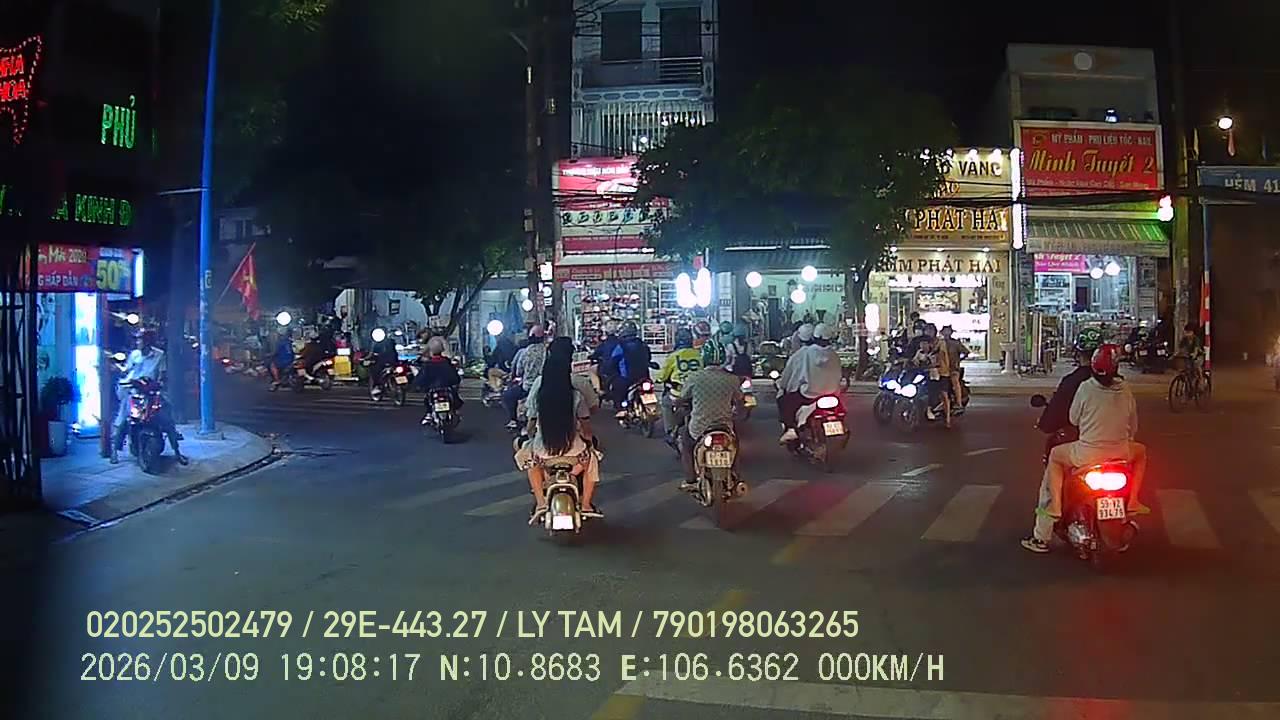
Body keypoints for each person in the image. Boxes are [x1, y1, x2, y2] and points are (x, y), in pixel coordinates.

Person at [1021, 344, 1149, 553]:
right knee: (1141, 452)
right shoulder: (1125, 389)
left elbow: (1073, 418)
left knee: (1055, 458)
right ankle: (1133, 501)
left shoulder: (1083, 386)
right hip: (1121, 452)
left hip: (1087, 453)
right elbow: (1133, 425)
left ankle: (1049, 521)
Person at [517, 336, 602, 522]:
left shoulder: (539, 392)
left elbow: (530, 423)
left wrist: (530, 435)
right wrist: (589, 442)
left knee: (530, 463)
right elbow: (587, 428)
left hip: (543, 453)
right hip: (574, 453)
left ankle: (540, 503)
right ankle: (586, 505)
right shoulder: (576, 395)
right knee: (591, 460)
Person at [111, 330, 187, 465]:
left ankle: (177, 451)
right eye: (138, 339)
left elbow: (162, 374)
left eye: (143, 339)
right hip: (133, 391)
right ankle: (115, 451)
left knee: (167, 418)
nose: (140, 342)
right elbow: (127, 371)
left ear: (150, 341)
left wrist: (159, 383)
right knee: (124, 418)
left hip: (151, 392)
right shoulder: (134, 355)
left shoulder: (159, 355)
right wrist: (120, 371)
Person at [674, 363, 744, 488]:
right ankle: (736, 476)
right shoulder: (732, 379)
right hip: (724, 426)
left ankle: (690, 480)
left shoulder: (694, 377)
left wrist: (677, 403)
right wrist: (737, 411)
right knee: (735, 445)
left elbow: (683, 397)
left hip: (699, 427)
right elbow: (740, 400)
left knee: (686, 445)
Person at [776, 322, 843, 443]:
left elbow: (793, 375)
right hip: (833, 393)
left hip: (809, 394)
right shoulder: (834, 355)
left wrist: (784, 386)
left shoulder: (804, 353)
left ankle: (791, 429)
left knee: (784, 401)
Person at [1036, 328, 1104, 436]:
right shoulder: (1119, 384)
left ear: (1078, 353)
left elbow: (1063, 414)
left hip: (1086, 440)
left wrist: (1046, 423)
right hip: (1118, 439)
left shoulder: (1072, 382)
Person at [656, 327, 703, 440]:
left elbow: (662, 376)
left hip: (678, 392)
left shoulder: (673, 356)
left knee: (665, 403)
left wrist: (658, 379)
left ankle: (670, 431)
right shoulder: (699, 354)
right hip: (698, 392)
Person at [504, 324, 547, 429]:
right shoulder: (547, 351)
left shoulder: (525, 352)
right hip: (544, 386)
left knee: (507, 396)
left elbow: (518, 371)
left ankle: (513, 420)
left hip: (527, 388)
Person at [608, 321, 653, 414]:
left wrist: (608, 369)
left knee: (616, 390)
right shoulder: (643, 344)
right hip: (644, 376)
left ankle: (621, 410)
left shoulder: (620, 346)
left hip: (627, 378)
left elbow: (613, 361)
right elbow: (648, 358)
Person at [416, 336, 462, 411]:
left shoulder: (428, 364)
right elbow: (455, 378)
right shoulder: (446, 362)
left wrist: (418, 385)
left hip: (434, 389)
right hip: (445, 388)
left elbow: (421, 378)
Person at [937, 326, 970, 428]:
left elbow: (966, 352)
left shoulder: (955, 343)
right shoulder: (939, 343)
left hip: (953, 368)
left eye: (948, 331)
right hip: (942, 369)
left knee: (955, 381)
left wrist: (958, 360)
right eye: (945, 331)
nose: (946, 333)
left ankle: (958, 403)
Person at [591, 321, 621, 398]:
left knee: (592, 370)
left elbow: (595, 354)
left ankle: (598, 390)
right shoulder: (621, 342)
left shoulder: (605, 344)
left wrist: (591, 356)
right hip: (619, 369)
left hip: (607, 369)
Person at [1177, 322, 1205, 387]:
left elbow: (1196, 349)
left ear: (1192, 332)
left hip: (1198, 356)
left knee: (1197, 366)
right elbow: (1180, 348)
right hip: (1189, 356)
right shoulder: (1184, 339)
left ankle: (1201, 380)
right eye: (1186, 332)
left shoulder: (1196, 339)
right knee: (1186, 368)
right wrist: (1175, 354)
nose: (1187, 334)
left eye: (1188, 332)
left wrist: (1194, 355)